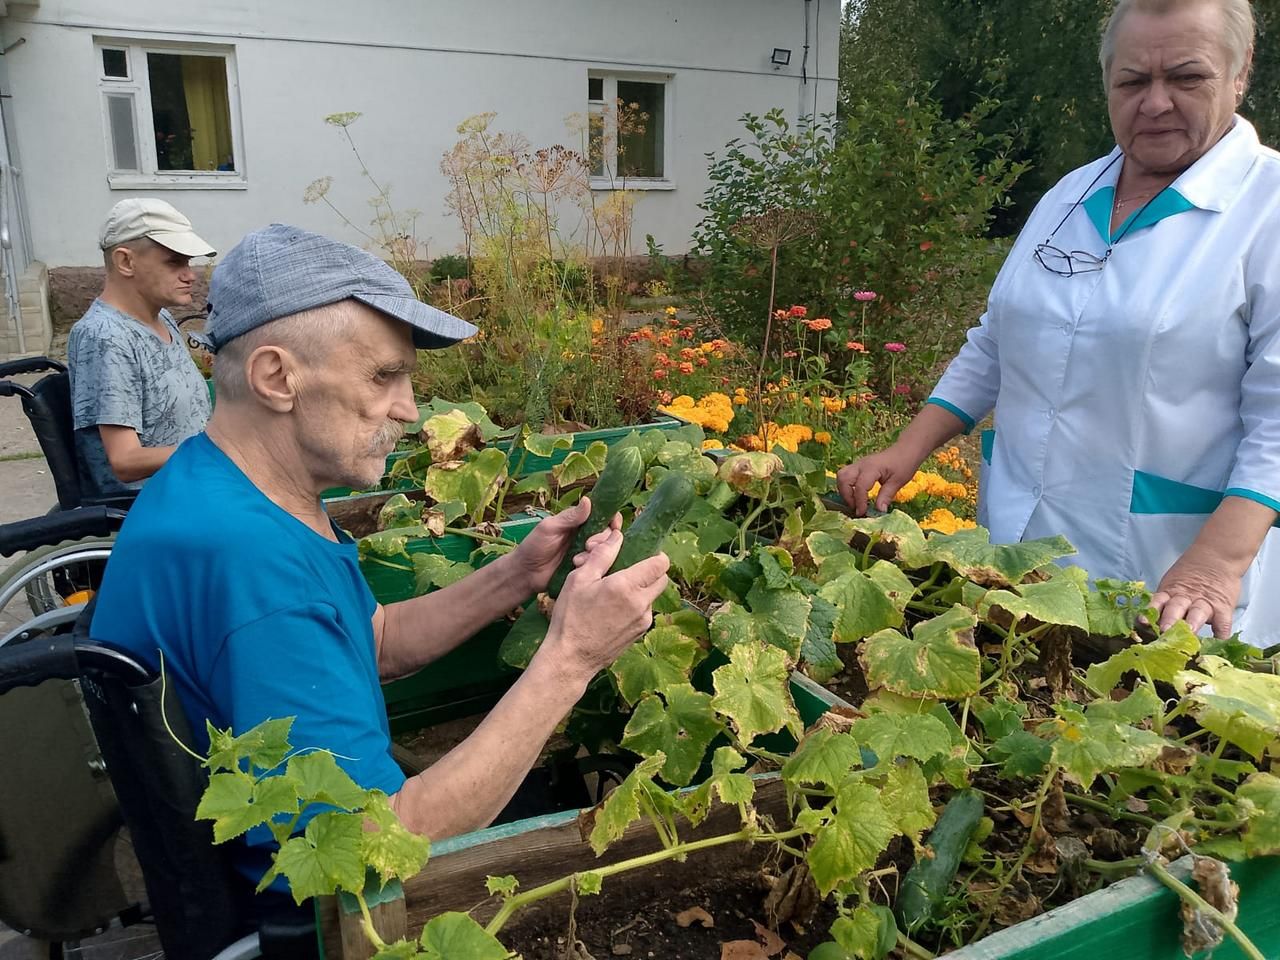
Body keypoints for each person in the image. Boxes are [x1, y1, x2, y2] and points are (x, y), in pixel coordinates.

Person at [88, 224, 670, 896]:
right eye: (384, 376)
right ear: (276, 376)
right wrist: (573, 657)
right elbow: (380, 844)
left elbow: (375, 640)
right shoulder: (252, 566)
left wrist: (517, 574)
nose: (411, 410)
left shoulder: (235, 487)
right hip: (325, 916)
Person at [838, 0, 1280, 647]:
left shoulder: (1267, 208)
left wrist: (1217, 563)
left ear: (1240, 73)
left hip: (1170, 577)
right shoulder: (1070, 196)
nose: (1155, 102)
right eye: (1132, 81)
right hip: (1018, 553)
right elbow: (996, 340)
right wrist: (905, 451)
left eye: (1187, 78)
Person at [68, 199, 215, 498]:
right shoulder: (105, 337)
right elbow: (125, 461)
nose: (190, 275)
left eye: (187, 262)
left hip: (195, 483)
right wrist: (219, 451)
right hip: (156, 503)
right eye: (174, 262)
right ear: (126, 262)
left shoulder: (161, 318)